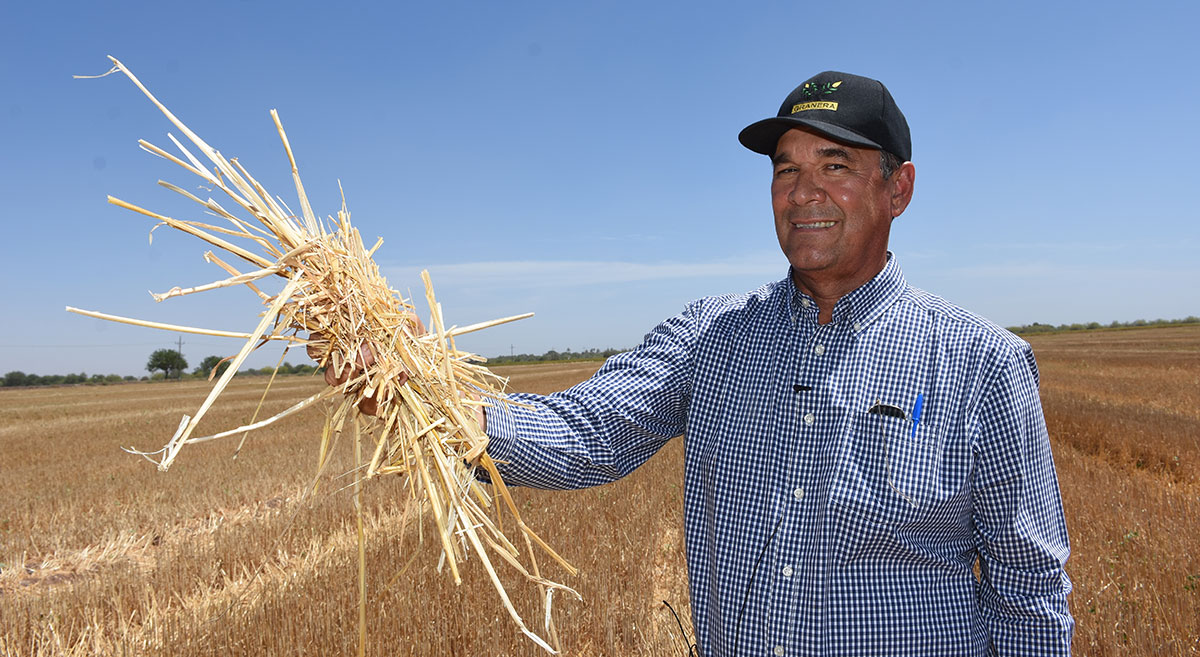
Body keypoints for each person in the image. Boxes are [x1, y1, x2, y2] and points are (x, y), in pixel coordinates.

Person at [317, 71, 1074, 655]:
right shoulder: (710, 337)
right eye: (785, 170)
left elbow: (1030, 592)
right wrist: (428, 395)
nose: (803, 193)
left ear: (898, 188)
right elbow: (590, 429)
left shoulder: (984, 365)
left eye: (835, 164)